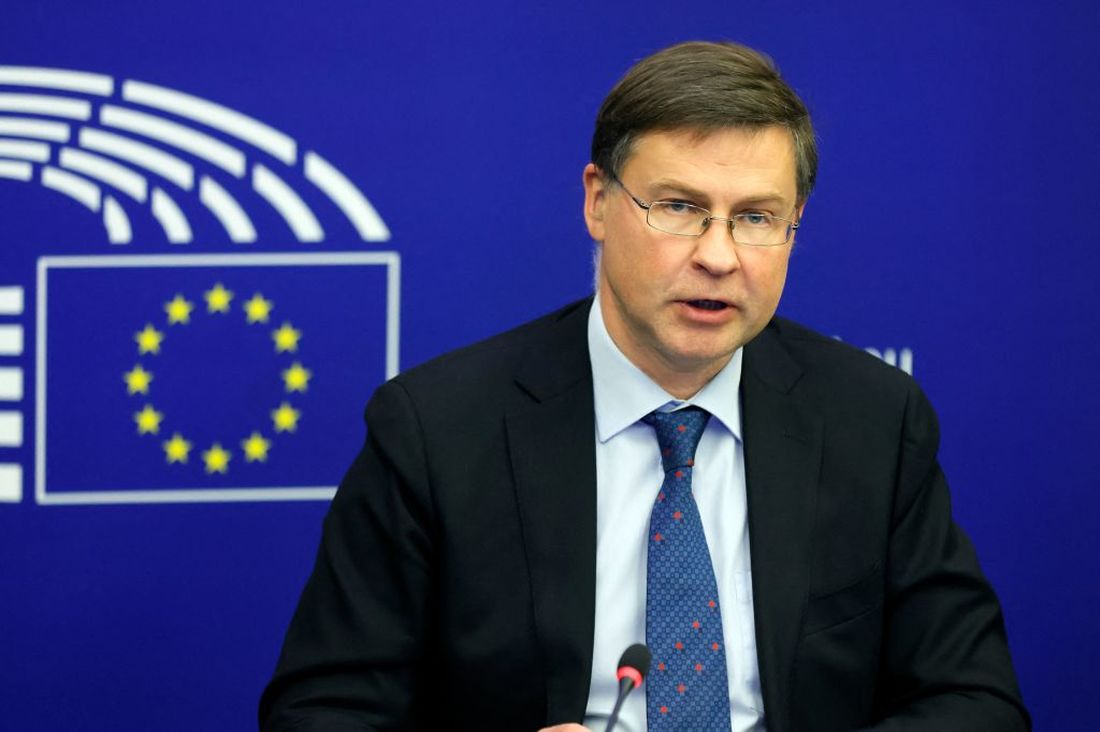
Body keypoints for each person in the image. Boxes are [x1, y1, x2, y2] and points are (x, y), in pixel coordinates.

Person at [259, 41, 1028, 731]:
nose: (719, 256)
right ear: (598, 201)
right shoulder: (437, 431)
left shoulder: (873, 420)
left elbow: (976, 700)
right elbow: (320, 712)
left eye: (757, 217)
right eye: (680, 208)